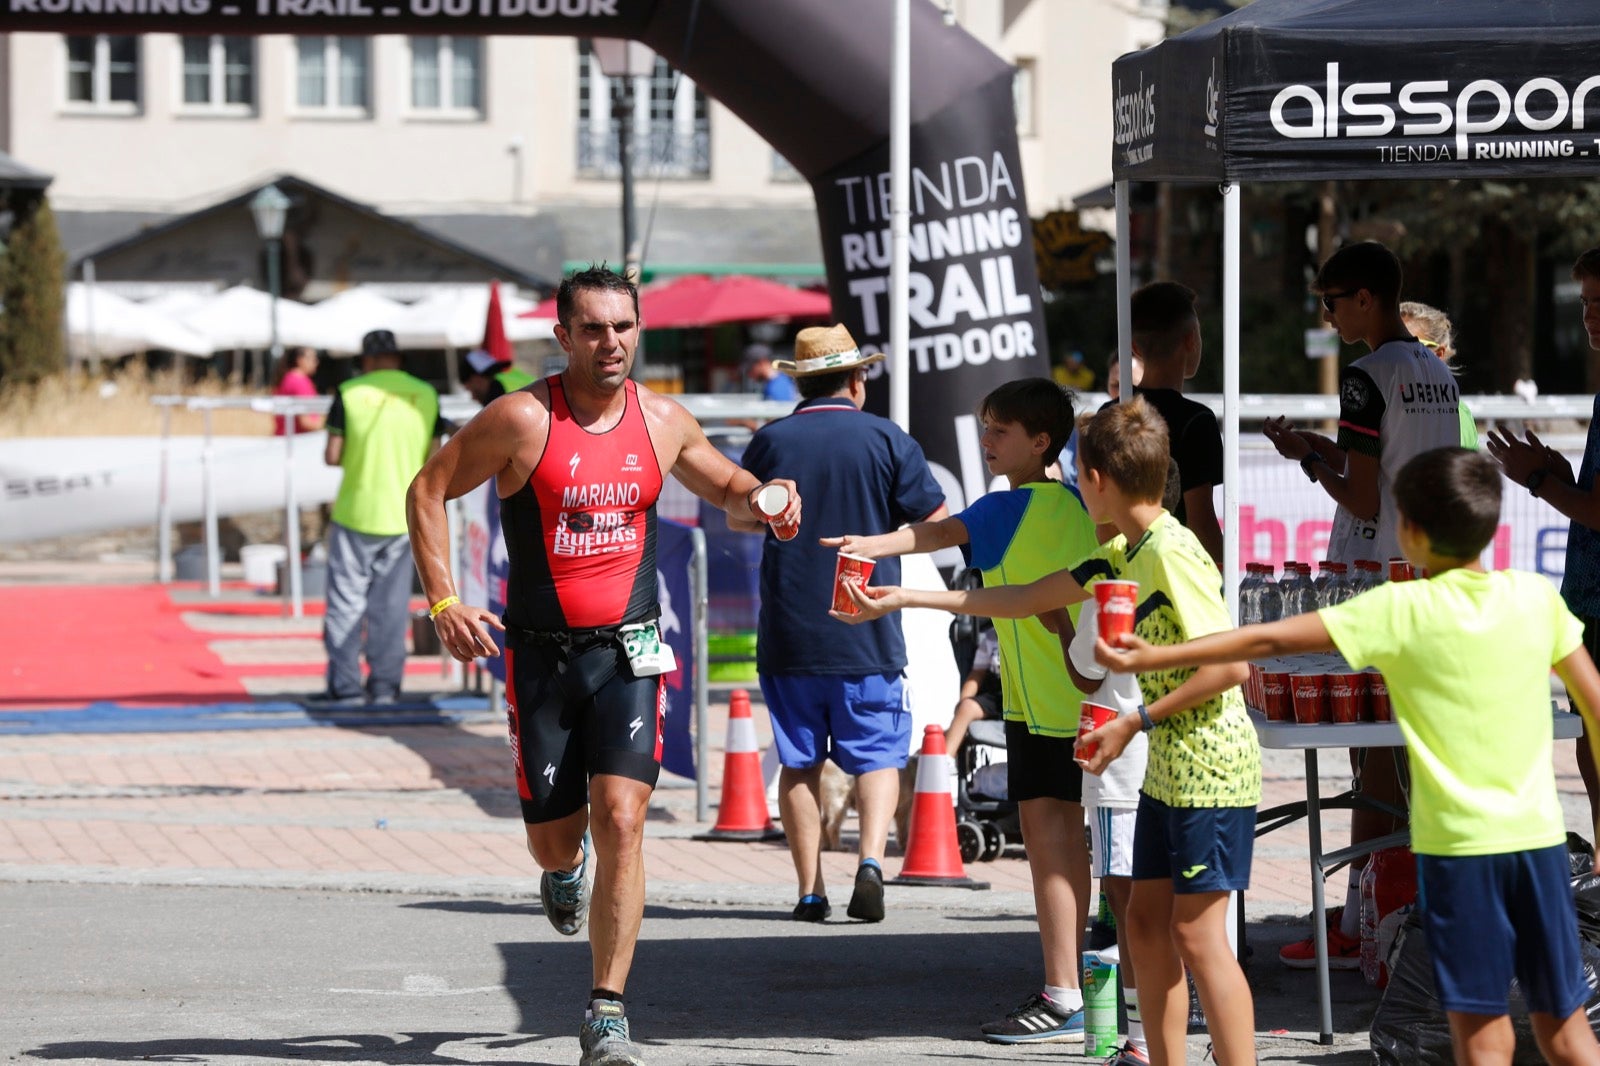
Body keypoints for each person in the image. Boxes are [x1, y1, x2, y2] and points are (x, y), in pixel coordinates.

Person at [405, 266, 799, 1066]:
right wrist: (445, 603)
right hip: (540, 659)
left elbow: (725, 484)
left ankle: (608, 1011)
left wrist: (768, 497)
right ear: (564, 336)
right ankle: (563, 869)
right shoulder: (521, 418)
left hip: (631, 650)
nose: (610, 343)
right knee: (556, 844)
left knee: (623, 817)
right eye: (593, 328)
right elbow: (428, 487)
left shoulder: (661, 420)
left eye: (623, 327)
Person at [1098, 446, 1600, 1066]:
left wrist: (1150, 658)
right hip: (1539, 848)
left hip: (1459, 858)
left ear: (1409, 531)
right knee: (1567, 1034)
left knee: (1482, 1038)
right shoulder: (1535, 599)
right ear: (1494, 526)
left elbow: (1269, 636)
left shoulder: (1400, 608)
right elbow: (1597, 706)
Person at [835, 397, 1260, 1066]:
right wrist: (906, 596)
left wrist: (1137, 716)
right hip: (1164, 772)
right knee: (1145, 927)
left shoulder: (1171, 553)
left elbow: (1231, 663)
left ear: (1096, 479)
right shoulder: (1123, 549)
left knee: (1198, 938)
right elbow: (1025, 596)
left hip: (1208, 768)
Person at [822, 380, 1115, 1046]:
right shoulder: (1076, 502)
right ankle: (1088, 988)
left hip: (1045, 707)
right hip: (1091, 699)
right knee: (1086, 852)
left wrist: (869, 546)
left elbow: (938, 532)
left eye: (999, 431)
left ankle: (1065, 992)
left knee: (1053, 850)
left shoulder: (1008, 507)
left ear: (1041, 441)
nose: (986, 442)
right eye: (985, 427)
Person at [1260, 240, 1460, 970]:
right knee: (1399, 748)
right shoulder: (1436, 370)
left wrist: (1310, 460)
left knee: (1369, 749)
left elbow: (1363, 492)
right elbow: (1395, 465)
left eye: (1331, 299)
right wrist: (1322, 447)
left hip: (1374, 577)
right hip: (1426, 570)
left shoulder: (1366, 373)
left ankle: (1363, 921)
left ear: (1366, 298)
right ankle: (1383, 914)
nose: (1325, 312)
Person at [734, 323, 945, 926]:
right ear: (858, 380)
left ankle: (809, 889)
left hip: (790, 629)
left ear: (801, 382)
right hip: (867, 621)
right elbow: (937, 523)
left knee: (798, 762)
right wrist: (880, 540)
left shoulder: (771, 441)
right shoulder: (887, 439)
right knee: (878, 756)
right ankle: (872, 862)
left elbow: (743, 514)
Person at [1487, 245, 1600, 829]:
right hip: (1586, 598)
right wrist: (1557, 470)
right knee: (1587, 740)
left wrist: (1535, 480)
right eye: (1584, 304)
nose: (1590, 317)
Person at [314, 329, 446, 707]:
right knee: (390, 608)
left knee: (345, 604)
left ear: (367, 360)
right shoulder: (426, 394)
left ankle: (346, 687)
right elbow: (433, 455)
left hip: (356, 510)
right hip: (404, 516)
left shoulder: (349, 393)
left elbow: (332, 454)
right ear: (398, 359)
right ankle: (386, 687)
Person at [1110, 282, 1224, 567]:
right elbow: (1201, 520)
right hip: (1172, 569)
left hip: (1115, 566)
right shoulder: (1197, 420)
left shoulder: (1109, 414)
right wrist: (1221, 580)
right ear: (1191, 341)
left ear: (1135, 347)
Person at [1399, 300, 1477, 448]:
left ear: (1438, 354)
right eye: (1388, 345)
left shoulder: (1456, 413)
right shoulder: (1385, 403)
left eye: (1408, 346)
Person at [946, 624, 1001, 756]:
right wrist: (962, 703)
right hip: (997, 695)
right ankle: (945, 760)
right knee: (966, 707)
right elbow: (977, 674)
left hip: (1024, 694)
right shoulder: (991, 637)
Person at [272, 346, 324, 436]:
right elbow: (306, 422)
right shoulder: (299, 382)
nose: (316, 362)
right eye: (313, 358)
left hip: (287, 439)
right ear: (300, 360)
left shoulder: (288, 378)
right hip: (298, 441)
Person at [462, 347, 535, 406]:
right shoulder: (517, 377)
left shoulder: (498, 393)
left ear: (476, 380)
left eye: (470, 390)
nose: (473, 398)